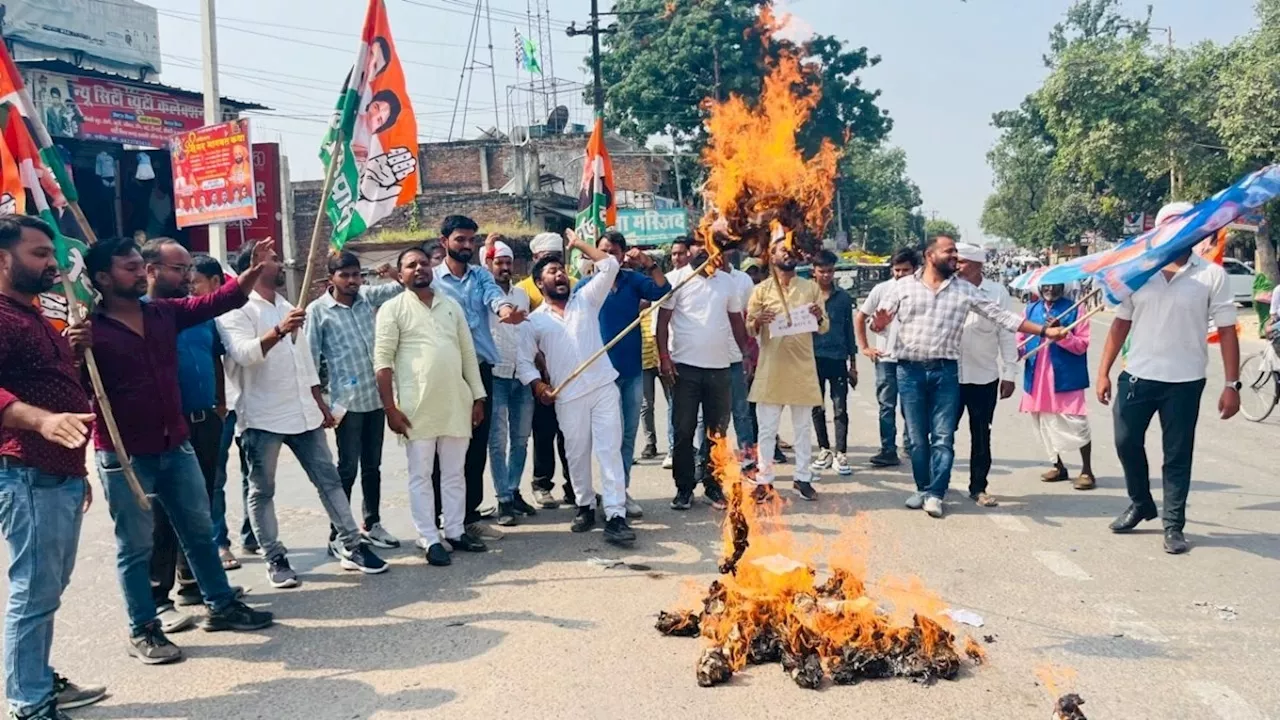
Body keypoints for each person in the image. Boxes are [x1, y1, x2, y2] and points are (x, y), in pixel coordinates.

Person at [85, 236, 274, 665]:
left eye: (139, 266)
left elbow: (216, 302)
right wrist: (76, 350)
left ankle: (221, 605)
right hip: (125, 455)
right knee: (135, 547)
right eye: (128, 268)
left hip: (177, 444)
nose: (138, 273)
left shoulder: (163, 314)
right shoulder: (89, 331)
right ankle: (143, 628)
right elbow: (75, 389)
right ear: (101, 278)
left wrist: (250, 273)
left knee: (200, 532)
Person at [217, 245, 388, 590]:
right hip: (263, 416)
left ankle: (352, 544)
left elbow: (305, 362)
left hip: (304, 413)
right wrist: (279, 331)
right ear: (253, 266)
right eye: (274, 260)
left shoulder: (286, 305)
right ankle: (274, 557)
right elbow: (244, 355)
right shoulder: (235, 310)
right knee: (262, 490)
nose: (282, 265)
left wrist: (318, 403)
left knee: (330, 481)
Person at [871, 235, 1068, 519]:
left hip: (946, 372)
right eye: (949, 252)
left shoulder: (965, 290)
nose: (954, 257)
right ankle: (922, 487)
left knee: (942, 436)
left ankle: (936, 493)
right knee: (916, 437)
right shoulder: (902, 288)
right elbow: (878, 322)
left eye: (957, 253)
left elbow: (1004, 319)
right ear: (930, 255)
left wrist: (1045, 332)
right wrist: (878, 324)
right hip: (909, 371)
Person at [0, 217, 107, 718]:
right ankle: (29, 703)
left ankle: (38, 680)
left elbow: (53, 384)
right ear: (4, 260)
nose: (52, 263)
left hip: (57, 473)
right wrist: (41, 423)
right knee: (34, 592)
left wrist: (77, 470)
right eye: (40, 254)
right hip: (27, 471)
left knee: (47, 590)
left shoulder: (35, 314)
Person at [1097, 201, 1240, 555]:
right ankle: (1141, 502)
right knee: (1125, 441)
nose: (1177, 232)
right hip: (1138, 376)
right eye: (1170, 225)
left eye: (1185, 225)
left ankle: (1173, 525)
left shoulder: (1211, 275)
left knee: (1177, 455)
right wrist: (1103, 371)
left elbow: (1227, 331)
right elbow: (1120, 323)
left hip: (1185, 380)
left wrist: (1231, 385)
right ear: (1157, 231)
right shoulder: (1139, 272)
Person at [139, 239, 234, 635]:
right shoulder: (142, 316)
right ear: (151, 271)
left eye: (189, 271)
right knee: (162, 513)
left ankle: (193, 582)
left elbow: (213, 357)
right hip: (166, 427)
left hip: (205, 419)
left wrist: (219, 403)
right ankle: (157, 599)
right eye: (178, 270)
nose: (187, 278)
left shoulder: (197, 315)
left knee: (201, 504)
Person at [518, 232, 636, 545]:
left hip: (602, 387)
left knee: (609, 450)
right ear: (540, 284)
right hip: (567, 396)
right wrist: (538, 385)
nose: (559, 275)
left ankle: (615, 514)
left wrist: (580, 246)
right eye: (551, 272)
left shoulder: (586, 299)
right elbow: (524, 362)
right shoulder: (533, 322)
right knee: (577, 452)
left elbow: (609, 266)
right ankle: (584, 505)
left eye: (561, 270)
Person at [375, 247, 489, 566]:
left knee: (455, 473)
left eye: (424, 263)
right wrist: (390, 409)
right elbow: (382, 363)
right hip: (415, 408)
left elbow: (468, 354)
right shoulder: (392, 309)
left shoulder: (450, 306)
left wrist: (477, 397)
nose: (419, 268)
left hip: (456, 402)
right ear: (400, 275)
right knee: (421, 475)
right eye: (411, 265)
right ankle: (428, 536)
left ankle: (454, 531)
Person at [431, 215, 525, 539]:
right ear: (444, 241)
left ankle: (468, 516)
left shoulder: (481, 276)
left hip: (481, 371)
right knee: (441, 445)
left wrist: (504, 311)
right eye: (460, 240)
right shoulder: (431, 282)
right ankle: (436, 519)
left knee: (475, 445)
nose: (467, 246)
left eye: (471, 240)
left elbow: (495, 298)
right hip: (445, 371)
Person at [305, 251, 404, 550]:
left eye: (356, 275)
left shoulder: (366, 298)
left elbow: (402, 286)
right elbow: (309, 360)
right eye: (344, 275)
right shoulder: (318, 311)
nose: (351, 281)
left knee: (373, 466)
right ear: (331, 278)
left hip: (375, 397)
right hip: (345, 403)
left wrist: (391, 274)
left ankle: (371, 523)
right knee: (347, 468)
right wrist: (319, 404)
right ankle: (340, 532)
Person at [657, 239, 751, 511]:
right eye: (697, 249)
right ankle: (684, 489)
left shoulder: (727, 283)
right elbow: (662, 323)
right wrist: (664, 357)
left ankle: (712, 486)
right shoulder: (676, 280)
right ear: (689, 253)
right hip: (684, 368)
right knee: (683, 430)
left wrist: (746, 355)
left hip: (720, 368)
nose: (702, 253)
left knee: (717, 433)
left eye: (707, 249)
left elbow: (736, 322)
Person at [582, 231, 671, 517]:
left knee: (628, 435)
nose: (608, 256)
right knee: (605, 438)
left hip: (631, 371)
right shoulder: (585, 287)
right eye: (602, 251)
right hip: (599, 376)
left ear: (622, 255)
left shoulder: (634, 281)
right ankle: (598, 494)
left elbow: (663, 289)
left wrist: (648, 262)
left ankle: (621, 491)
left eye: (613, 251)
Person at [746, 239, 828, 502]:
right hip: (771, 368)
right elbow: (749, 327)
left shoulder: (811, 287)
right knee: (767, 430)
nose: (788, 253)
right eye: (783, 249)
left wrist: (817, 316)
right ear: (772, 255)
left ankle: (802, 478)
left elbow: (823, 326)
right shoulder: (761, 290)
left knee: (803, 429)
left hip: (802, 367)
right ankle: (765, 481)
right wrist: (758, 320)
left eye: (792, 249)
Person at [953, 243, 1018, 508]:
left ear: (978, 265)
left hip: (984, 377)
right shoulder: (949, 288)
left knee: (981, 434)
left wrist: (1010, 373)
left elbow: (1007, 332)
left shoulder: (997, 292)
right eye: (955, 261)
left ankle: (978, 487)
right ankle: (936, 484)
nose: (957, 266)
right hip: (950, 375)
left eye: (963, 262)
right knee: (943, 432)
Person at [190, 255, 242, 567]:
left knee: (255, 476)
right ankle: (218, 541)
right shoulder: (192, 315)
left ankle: (253, 534)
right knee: (213, 479)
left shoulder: (240, 308)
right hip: (211, 411)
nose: (190, 288)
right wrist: (219, 405)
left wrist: (222, 402)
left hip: (243, 404)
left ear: (215, 282)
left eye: (194, 281)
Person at [483, 238, 538, 526]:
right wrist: (488, 242)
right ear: (489, 264)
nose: (504, 267)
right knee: (498, 441)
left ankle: (514, 490)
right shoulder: (485, 295)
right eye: (498, 263)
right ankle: (503, 499)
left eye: (508, 263)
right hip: (497, 375)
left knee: (520, 439)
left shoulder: (522, 296)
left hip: (523, 374)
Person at [1019, 283, 1095, 490]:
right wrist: (1016, 352)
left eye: (1056, 285)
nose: (1050, 289)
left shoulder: (1076, 309)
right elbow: (1020, 339)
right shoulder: (1029, 310)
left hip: (1065, 376)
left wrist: (1063, 334)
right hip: (1037, 377)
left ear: (1064, 287)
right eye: (1046, 285)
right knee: (1044, 421)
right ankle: (1058, 466)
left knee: (1076, 422)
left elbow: (1082, 346)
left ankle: (1087, 470)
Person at [518, 232, 575, 507]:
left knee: (573, 437)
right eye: (546, 262)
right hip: (543, 379)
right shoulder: (522, 290)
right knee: (544, 433)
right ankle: (542, 484)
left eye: (558, 262)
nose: (556, 270)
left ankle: (576, 487)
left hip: (571, 376)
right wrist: (539, 379)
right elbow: (524, 339)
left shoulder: (572, 285)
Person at [855, 248, 918, 467]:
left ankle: (911, 446)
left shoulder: (921, 290)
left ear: (915, 269)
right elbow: (860, 317)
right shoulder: (882, 289)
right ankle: (888, 449)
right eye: (897, 269)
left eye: (905, 270)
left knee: (911, 405)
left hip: (912, 358)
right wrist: (865, 347)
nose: (900, 274)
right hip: (886, 358)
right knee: (886, 405)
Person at [809, 250, 856, 476]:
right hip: (813, 359)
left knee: (840, 408)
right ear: (814, 272)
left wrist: (853, 365)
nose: (826, 275)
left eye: (830, 271)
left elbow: (850, 332)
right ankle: (824, 449)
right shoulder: (806, 297)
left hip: (838, 358)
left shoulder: (844, 298)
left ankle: (841, 453)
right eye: (822, 271)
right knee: (817, 407)